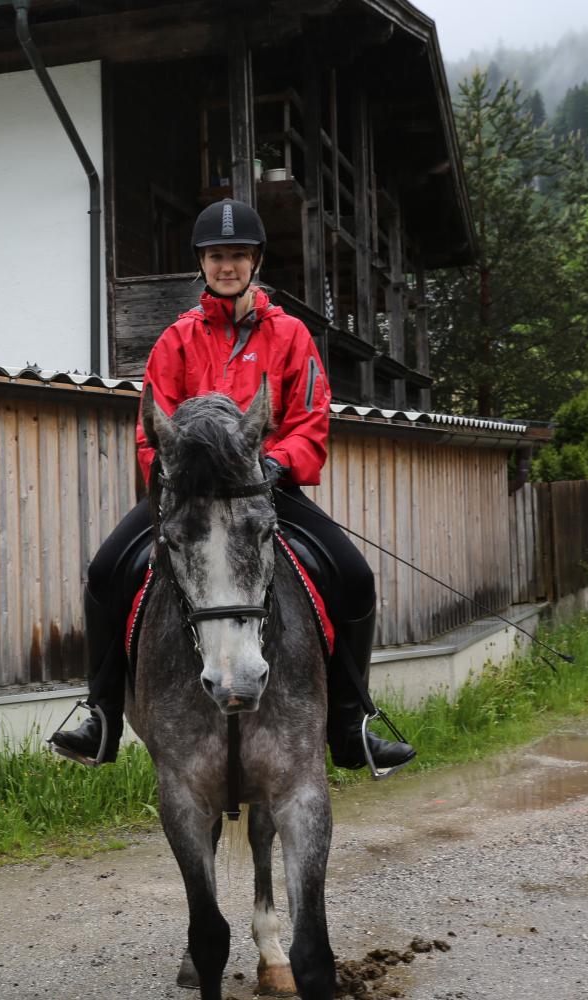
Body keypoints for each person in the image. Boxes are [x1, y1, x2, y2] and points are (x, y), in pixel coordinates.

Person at [49, 199, 416, 774]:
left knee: (354, 577)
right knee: (103, 573)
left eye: (238, 255)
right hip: (188, 498)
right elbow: (151, 431)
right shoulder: (175, 340)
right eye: (216, 255)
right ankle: (102, 716)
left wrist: (274, 466)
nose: (227, 266)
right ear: (202, 263)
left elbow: (310, 420)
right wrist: (175, 479)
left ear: (255, 261)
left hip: (264, 492)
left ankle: (351, 726)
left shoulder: (292, 335)